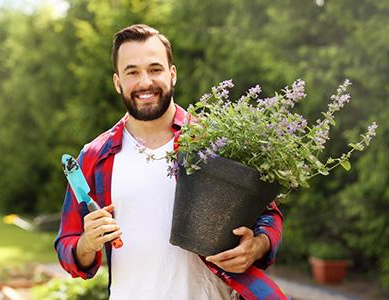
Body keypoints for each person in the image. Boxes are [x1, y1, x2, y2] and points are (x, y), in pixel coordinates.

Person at [55, 24, 285, 300]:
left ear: (172, 74)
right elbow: (67, 246)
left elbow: (268, 214)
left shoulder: (215, 140)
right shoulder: (94, 156)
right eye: (132, 72)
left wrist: (256, 245)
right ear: (118, 82)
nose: (145, 82)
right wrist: (87, 243)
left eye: (155, 69)